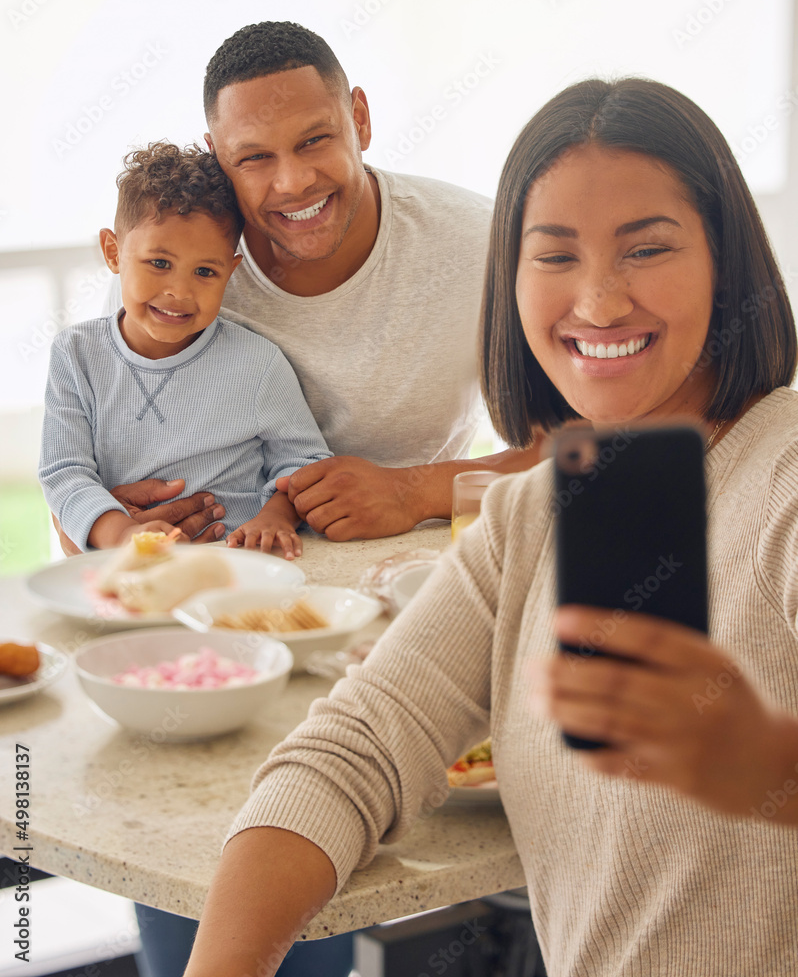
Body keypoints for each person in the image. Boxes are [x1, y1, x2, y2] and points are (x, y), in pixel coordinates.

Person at [181, 77, 798, 977]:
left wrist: (768, 767)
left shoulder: (784, 476)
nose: (597, 302)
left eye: (647, 249)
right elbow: (355, 749)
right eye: (554, 257)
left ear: (726, 261)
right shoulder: (528, 519)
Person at [93, 21, 541, 549]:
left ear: (359, 119)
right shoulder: (171, 279)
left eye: (314, 140)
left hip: (416, 582)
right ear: (218, 157)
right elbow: (76, 495)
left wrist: (413, 491)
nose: (293, 182)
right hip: (219, 585)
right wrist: (113, 522)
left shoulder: (482, 245)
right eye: (255, 157)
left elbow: (579, 447)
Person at [40, 142, 331, 557]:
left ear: (229, 273)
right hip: (129, 572)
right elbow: (64, 474)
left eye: (204, 271)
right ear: (113, 252)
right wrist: (123, 535)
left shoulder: (257, 363)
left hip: (237, 566)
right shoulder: (76, 356)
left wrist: (277, 517)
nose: (179, 292)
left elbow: (305, 463)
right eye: (159, 263)